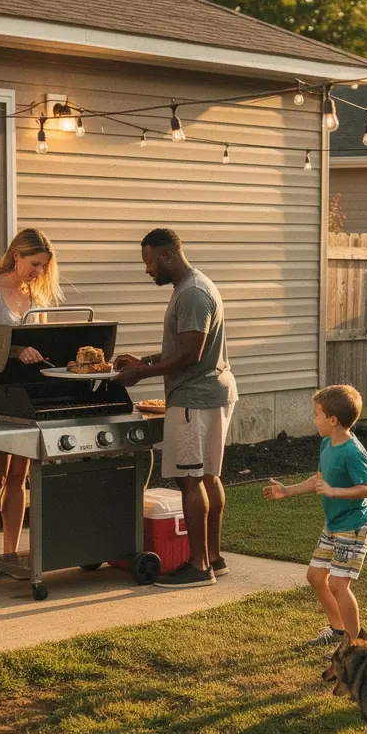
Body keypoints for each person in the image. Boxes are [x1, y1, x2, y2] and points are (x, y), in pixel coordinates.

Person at [114, 228, 238, 587]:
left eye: (150, 263)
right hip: (212, 391)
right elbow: (184, 345)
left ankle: (198, 566)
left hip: (194, 397)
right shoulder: (193, 286)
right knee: (208, 476)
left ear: (168, 256)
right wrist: (147, 359)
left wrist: (141, 373)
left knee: (190, 480)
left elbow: (190, 353)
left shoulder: (193, 293)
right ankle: (214, 558)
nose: (147, 270)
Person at [0, 228, 63, 581]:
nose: (39, 271)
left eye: (44, 266)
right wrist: (15, 350)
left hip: (25, 396)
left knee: (19, 476)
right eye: (34, 263)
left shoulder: (35, 296)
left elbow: (44, 343)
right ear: (16, 255)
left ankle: (9, 555)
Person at [263, 385, 367, 647]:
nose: (314, 419)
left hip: (355, 525)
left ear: (332, 420)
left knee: (338, 584)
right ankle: (337, 630)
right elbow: (318, 479)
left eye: (317, 414)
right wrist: (287, 491)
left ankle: (354, 646)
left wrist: (334, 491)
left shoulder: (353, 452)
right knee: (315, 577)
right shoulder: (327, 443)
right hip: (334, 525)